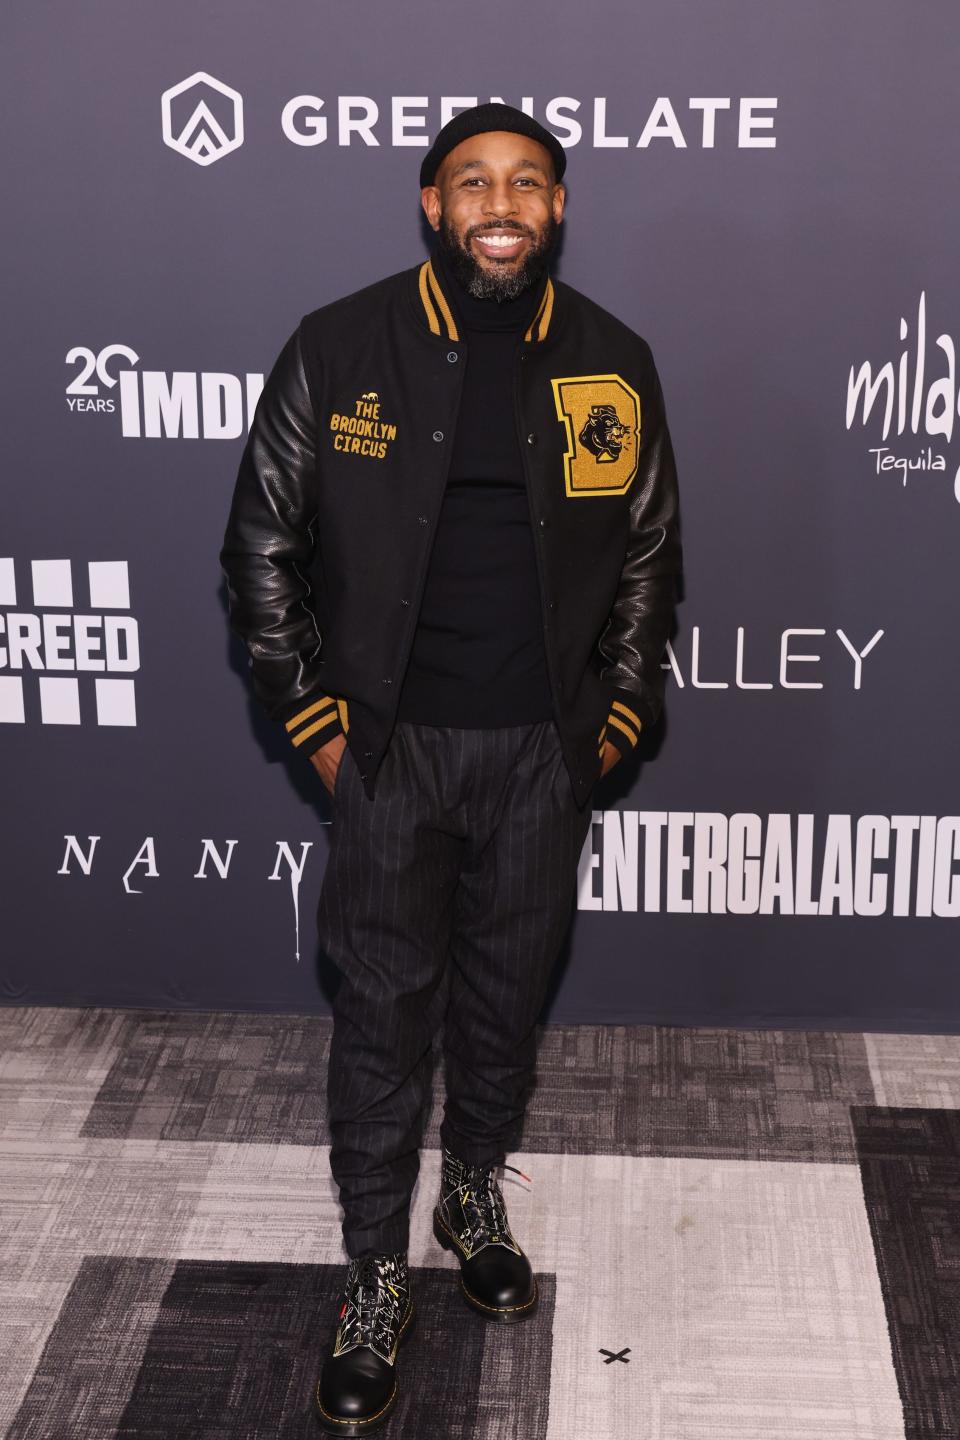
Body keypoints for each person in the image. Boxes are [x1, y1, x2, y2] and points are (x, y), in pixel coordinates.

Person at [219, 101, 682, 1436]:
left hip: (544, 753)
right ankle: (374, 1272)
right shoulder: (340, 345)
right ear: (432, 205)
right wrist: (315, 723)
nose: (500, 204)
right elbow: (262, 549)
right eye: (473, 181)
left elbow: (649, 557)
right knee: (380, 1010)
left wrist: (611, 723)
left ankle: (471, 1189)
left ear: (557, 209)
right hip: (388, 751)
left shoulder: (611, 359)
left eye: (527, 183)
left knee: (501, 997)